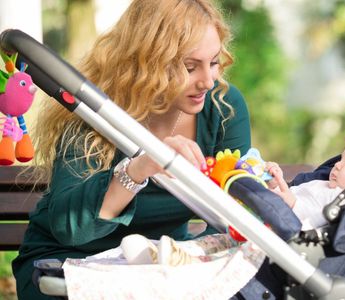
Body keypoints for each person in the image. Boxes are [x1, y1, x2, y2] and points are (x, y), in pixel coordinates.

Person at [11, 0, 251, 299]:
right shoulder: (97, 111)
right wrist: (138, 169)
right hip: (69, 264)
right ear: (147, 61)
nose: (207, 80)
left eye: (213, 62)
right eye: (190, 67)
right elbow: (71, 229)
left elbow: (231, 215)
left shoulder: (224, 107)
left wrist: (190, 260)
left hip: (156, 266)